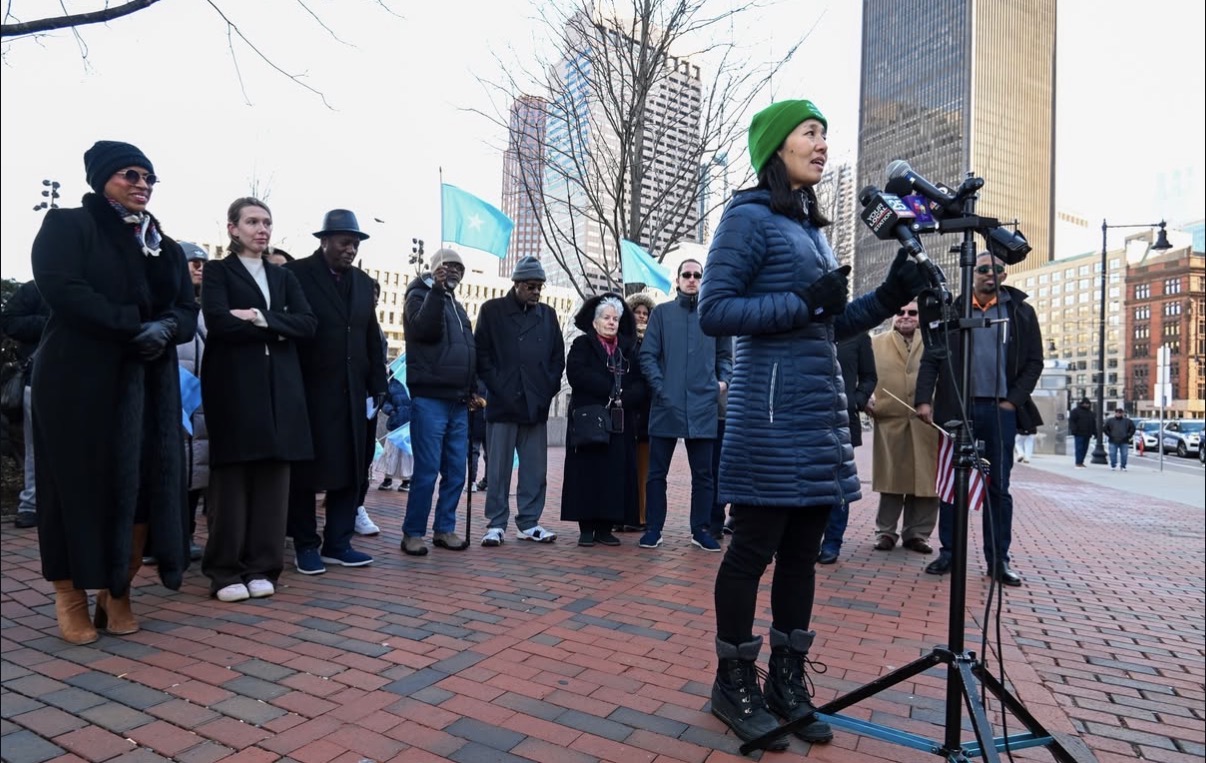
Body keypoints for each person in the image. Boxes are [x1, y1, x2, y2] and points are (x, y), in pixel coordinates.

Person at [698, 100, 925, 746]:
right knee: (752, 550)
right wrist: (802, 301)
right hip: (769, 415)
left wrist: (885, 297)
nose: (822, 144)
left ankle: (786, 681)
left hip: (816, 413)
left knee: (801, 555)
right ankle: (732, 682)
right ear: (777, 146)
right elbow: (715, 310)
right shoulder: (747, 217)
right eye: (810, 132)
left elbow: (828, 323)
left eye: (824, 134)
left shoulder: (811, 229)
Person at [31, 140, 197, 644]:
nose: (142, 184)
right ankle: (70, 594)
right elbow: (63, 288)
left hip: (147, 383)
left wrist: (166, 328)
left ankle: (116, 590)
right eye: (130, 174)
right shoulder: (68, 225)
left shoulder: (165, 246)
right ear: (102, 177)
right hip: (78, 379)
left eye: (149, 177)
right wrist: (131, 326)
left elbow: (186, 308)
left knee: (142, 486)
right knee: (75, 486)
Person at [199, 198, 316, 601]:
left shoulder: (283, 276)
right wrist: (280, 326)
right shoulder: (218, 271)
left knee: (273, 481)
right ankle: (224, 571)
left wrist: (257, 316)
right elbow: (219, 322)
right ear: (233, 228)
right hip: (233, 387)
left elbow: (308, 324)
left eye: (266, 222)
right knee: (232, 481)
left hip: (282, 389)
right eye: (251, 221)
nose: (261, 229)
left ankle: (263, 566)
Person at [916, 253, 1044, 588]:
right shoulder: (952, 310)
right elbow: (932, 357)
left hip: (999, 412)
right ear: (972, 272)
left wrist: (1012, 401)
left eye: (997, 269)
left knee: (998, 488)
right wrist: (923, 399)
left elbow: (1034, 362)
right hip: (956, 409)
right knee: (952, 484)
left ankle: (998, 560)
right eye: (984, 269)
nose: (990, 274)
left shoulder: (1021, 312)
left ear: (1004, 275)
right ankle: (949, 553)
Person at [284, 210, 387, 574]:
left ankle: (338, 543)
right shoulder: (295, 274)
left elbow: (370, 336)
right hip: (308, 392)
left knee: (351, 469)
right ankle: (305, 545)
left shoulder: (362, 282)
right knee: (305, 472)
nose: (351, 249)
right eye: (345, 242)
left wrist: (378, 386)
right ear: (325, 240)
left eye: (355, 244)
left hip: (354, 394)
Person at [638, 259, 733, 551]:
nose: (692, 279)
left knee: (704, 475)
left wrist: (721, 383)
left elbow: (726, 357)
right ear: (678, 279)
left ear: (703, 280)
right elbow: (647, 355)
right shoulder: (662, 314)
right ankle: (653, 529)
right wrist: (661, 388)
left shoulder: (714, 317)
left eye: (697, 275)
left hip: (704, 405)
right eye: (686, 274)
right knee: (657, 473)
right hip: (666, 405)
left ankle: (700, 529)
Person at [475, 255, 565, 546]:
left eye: (540, 286)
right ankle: (496, 524)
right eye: (531, 286)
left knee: (535, 470)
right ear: (516, 284)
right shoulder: (492, 311)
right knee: (497, 470)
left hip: (534, 405)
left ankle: (529, 522)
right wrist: (498, 386)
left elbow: (557, 358)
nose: (536, 291)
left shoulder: (548, 315)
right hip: (502, 404)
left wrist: (546, 389)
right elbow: (482, 355)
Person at [399, 248, 476, 556]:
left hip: (459, 400)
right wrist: (436, 291)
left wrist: (473, 388)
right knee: (428, 470)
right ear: (433, 270)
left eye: (459, 268)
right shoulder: (419, 296)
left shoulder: (457, 306)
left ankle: (444, 528)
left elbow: (468, 349)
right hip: (430, 398)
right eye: (448, 266)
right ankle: (413, 533)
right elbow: (424, 330)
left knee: (456, 471)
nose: (454, 271)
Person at [561, 294, 647, 547]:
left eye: (615, 319)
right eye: (606, 318)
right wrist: (612, 390)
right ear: (595, 321)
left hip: (620, 421)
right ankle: (586, 528)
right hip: (590, 419)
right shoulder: (582, 345)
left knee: (614, 473)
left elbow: (641, 384)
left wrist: (624, 397)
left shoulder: (628, 350)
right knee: (587, 472)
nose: (611, 322)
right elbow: (577, 373)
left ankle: (605, 528)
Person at [867, 301, 940, 554]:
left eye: (912, 312)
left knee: (928, 483)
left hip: (928, 422)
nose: (905, 316)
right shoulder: (875, 342)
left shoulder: (936, 340)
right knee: (891, 480)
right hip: (890, 419)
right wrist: (866, 398)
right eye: (900, 312)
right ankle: (885, 532)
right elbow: (863, 375)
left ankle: (917, 534)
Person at [817, 331, 876, 564]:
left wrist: (855, 401)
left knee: (838, 483)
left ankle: (832, 542)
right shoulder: (810, 328)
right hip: (807, 418)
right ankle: (807, 540)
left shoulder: (858, 336)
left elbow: (869, 376)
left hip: (843, 420)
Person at [0, 279, 49, 530]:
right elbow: (9, 321)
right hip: (37, 379)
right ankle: (31, 504)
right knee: (35, 447)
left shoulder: (92, 285)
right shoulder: (35, 288)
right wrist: (49, 323)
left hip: (84, 380)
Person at [177, 242, 210, 562]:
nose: (200, 267)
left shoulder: (211, 309)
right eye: (193, 262)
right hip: (174, 404)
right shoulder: (164, 305)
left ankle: (184, 537)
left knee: (194, 474)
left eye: (204, 263)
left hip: (203, 407)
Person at [352, 280, 386, 537]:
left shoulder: (377, 330)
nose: (372, 299)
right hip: (344, 400)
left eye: (375, 295)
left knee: (364, 457)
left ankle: (356, 507)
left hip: (368, 403)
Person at [626, 292, 657, 531]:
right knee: (625, 467)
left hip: (648, 414)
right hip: (626, 412)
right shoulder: (623, 341)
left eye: (645, 313)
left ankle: (642, 516)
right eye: (637, 312)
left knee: (645, 469)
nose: (642, 317)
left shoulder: (655, 342)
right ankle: (623, 515)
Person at [1068, 397, 1096, 468]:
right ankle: (1078, 462)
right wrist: (1074, 430)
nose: (1086, 405)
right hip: (1079, 433)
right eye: (1085, 403)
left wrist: (1095, 432)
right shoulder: (1075, 411)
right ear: (1082, 404)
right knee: (1079, 448)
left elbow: (1093, 423)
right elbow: (1072, 421)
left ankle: (1081, 461)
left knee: (1085, 449)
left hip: (1087, 433)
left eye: (1088, 404)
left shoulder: (1090, 413)